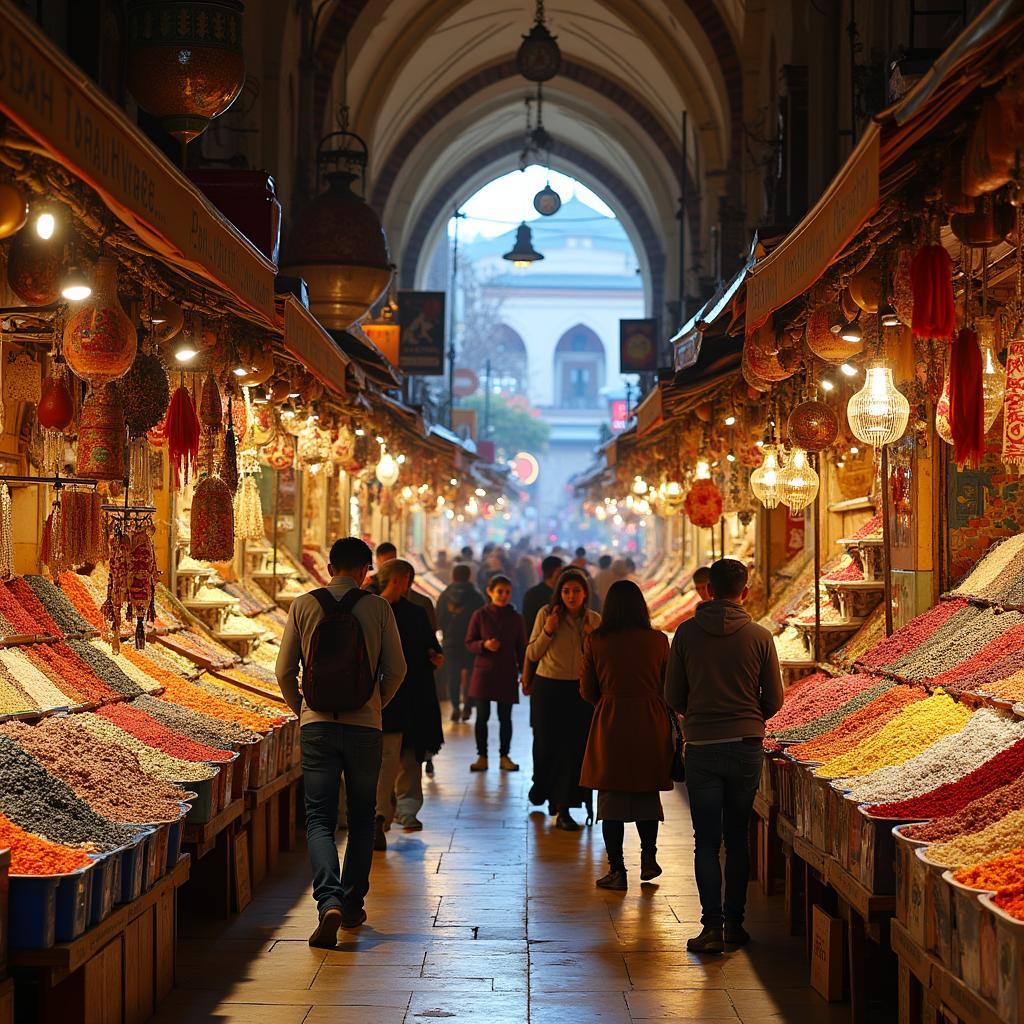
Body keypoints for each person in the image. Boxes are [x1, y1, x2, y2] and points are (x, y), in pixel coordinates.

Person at [276, 537, 406, 947]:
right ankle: (351, 905)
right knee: (363, 817)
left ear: (330, 567)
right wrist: (374, 703)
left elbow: (283, 671)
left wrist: (303, 708)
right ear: (365, 570)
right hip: (365, 727)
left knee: (320, 818)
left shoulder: (303, 604)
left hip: (317, 725)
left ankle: (327, 900)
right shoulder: (379, 607)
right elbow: (397, 670)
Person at [665, 557, 784, 953]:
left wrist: (699, 717)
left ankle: (711, 928)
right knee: (738, 839)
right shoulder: (760, 636)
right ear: (744, 591)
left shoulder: (684, 634)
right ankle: (735, 924)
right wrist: (749, 718)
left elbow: (672, 696)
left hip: (701, 748)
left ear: (709, 590)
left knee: (706, 841)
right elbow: (775, 700)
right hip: (746, 746)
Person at [580, 579, 673, 890]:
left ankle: (617, 870)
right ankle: (649, 857)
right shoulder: (658, 640)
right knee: (647, 791)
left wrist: (609, 700)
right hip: (650, 719)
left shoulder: (596, 641)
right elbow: (668, 686)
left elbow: (587, 689)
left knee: (611, 797)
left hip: (611, 720)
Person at [374, 560, 444, 841]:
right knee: (396, 757)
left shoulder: (412, 612)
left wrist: (434, 656)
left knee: (399, 757)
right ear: (402, 579)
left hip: (397, 696)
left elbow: (432, 648)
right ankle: (387, 814)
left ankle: (395, 812)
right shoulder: (377, 610)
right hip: (399, 696)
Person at [526, 568, 600, 831]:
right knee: (547, 744)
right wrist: (548, 631)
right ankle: (544, 788)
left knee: (573, 749)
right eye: (566, 591)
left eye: (576, 591)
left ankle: (565, 805)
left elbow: (600, 662)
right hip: (548, 688)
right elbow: (532, 653)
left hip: (580, 692)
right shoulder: (546, 615)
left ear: (585, 594)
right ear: (559, 593)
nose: (571, 596)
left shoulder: (593, 620)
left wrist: (592, 636)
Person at [465, 575, 527, 772]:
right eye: (499, 591)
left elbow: (522, 648)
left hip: (507, 671)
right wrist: (484, 644)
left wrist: (525, 672)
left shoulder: (516, 618)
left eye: (507, 592)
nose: (503, 595)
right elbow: (469, 642)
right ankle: (482, 756)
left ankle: (504, 755)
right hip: (484, 672)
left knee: (505, 717)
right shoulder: (480, 615)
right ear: (490, 591)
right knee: (482, 716)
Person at [437, 564, 485, 722]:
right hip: (471, 641)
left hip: (451, 641)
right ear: (469, 575)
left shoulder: (445, 595)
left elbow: (439, 618)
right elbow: (481, 620)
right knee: (470, 674)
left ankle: (456, 707)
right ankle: (468, 706)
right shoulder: (476, 596)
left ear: (453, 575)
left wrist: (446, 632)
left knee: (453, 675)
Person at [371, 542, 438, 631]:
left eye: (393, 560)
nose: (390, 566)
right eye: (387, 562)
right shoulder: (372, 595)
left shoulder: (420, 605)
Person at [522, 555, 564, 637]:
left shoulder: (563, 593)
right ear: (555, 572)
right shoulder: (533, 594)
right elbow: (528, 624)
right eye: (561, 571)